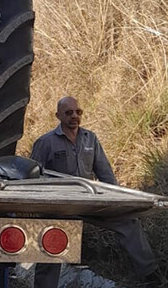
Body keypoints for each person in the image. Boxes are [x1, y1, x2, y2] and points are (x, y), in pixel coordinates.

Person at [30, 96, 160, 287]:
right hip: (60, 206)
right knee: (51, 238)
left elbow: (104, 173)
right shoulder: (46, 142)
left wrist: (117, 200)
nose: (74, 116)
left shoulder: (89, 138)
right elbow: (33, 177)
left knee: (128, 222)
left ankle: (151, 275)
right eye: (68, 113)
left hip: (90, 200)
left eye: (78, 112)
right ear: (58, 116)